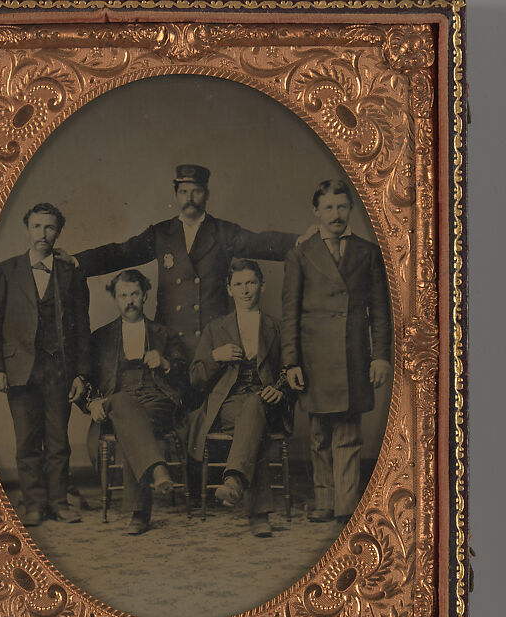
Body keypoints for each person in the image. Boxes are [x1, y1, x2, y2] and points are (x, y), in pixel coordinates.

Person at [67, 164, 311, 346]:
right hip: (170, 339)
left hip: (214, 338)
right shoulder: (161, 233)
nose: (189, 198)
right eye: (184, 191)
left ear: (206, 194)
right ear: (176, 195)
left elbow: (260, 242)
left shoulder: (223, 232)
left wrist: (298, 241)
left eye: (196, 192)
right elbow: (122, 253)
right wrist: (79, 261)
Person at [282, 179, 392, 525]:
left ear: (351, 210)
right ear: (316, 212)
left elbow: (380, 310)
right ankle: (324, 500)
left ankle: (345, 505)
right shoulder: (301, 253)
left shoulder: (366, 252)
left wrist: (380, 356)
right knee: (319, 436)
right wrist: (291, 362)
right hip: (314, 359)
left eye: (342, 207)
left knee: (348, 433)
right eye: (328, 207)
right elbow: (290, 312)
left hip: (353, 356)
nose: (335, 215)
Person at [0, 202, 91, 527]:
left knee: (59, 441)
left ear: (58, 232)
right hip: (19, 370)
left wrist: (82, 374)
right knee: (27, 440)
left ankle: (59, 503)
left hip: (59, 369)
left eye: (50, 228)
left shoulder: (71, 273)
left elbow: (82, 327)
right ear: (28, 229)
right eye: (37, 227)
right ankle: (33, 504)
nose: (43, 234)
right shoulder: (5, 271)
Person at [187, 260, 292, 537]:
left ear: (262, 286)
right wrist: (214, 357)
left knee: (255, 408)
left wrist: (280, 390)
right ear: (229, 290)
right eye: (238, 284)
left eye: (251, 283)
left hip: (267, 403)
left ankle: (234, 480)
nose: (245, 290)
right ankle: (258, 514)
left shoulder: (276, 327)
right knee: (250, 418)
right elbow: (195, 377)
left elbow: (290, 372)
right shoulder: (215, 329)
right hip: (228, 405)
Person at [81, 269, 187, 535]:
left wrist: (164, 363)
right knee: (123, 408)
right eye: (123, 295)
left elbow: (185, 373)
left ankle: (139, 514)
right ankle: (157, 470)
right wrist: (92, 402)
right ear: (115, 299)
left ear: (145, 296)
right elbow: (86, 379)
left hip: (156, 398)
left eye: (135, 294)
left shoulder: (164, 333)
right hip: (118, 400)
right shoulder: (101, 337)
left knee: (131, 426)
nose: (129, 300)